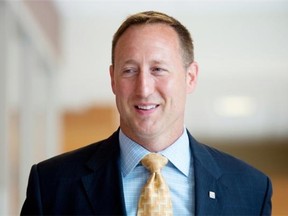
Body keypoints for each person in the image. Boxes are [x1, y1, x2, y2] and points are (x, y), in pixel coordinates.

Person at [21, 11, 272, 215]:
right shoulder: (53, 185)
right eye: (129, 70)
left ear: (190, 77)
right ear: (113, 80)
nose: (144, 88)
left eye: (158, 69)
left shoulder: (250, 190)